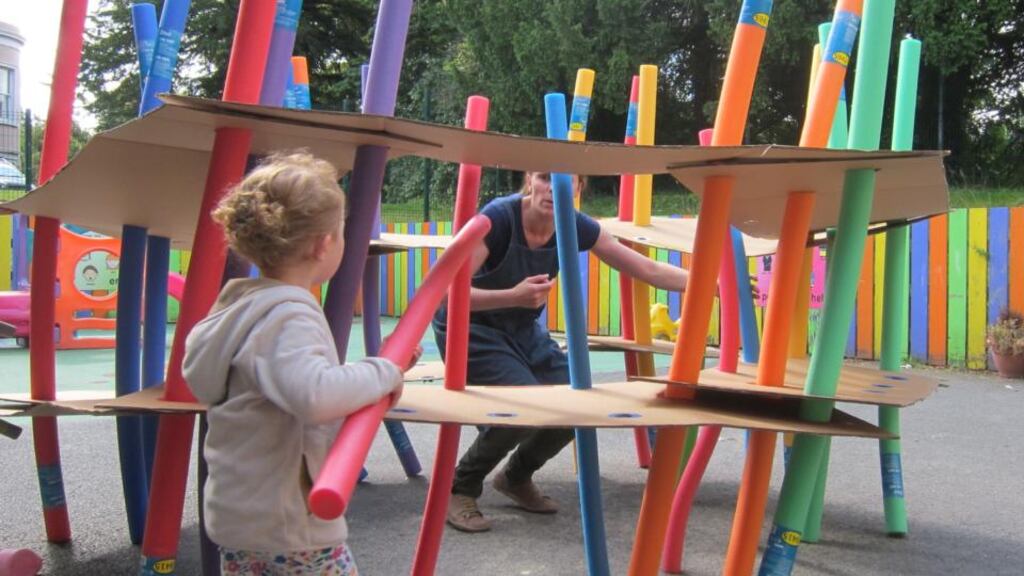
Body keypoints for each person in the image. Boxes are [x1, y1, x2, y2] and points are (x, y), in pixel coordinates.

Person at [183, 152, 419, 575]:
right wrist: (382, 373)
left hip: (238, 520)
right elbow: (314, 395)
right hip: (289, 525)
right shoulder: (289, 313)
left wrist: (378, 368)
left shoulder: (238, 309)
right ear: (323, 244)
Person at [434, 171, 689, 533]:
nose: (553, 189)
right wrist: (513, 296)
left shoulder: (574, 225)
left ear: (580, 189)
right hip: (470, 328)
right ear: (530, 180)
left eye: (567, 181)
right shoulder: (500, 218)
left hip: (521, 329)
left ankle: (516, 476)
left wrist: (713, 283)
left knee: (576, 398)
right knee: (521, 408)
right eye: (544, 178)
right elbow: (446, 293)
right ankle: (460, 486)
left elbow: (645, 268)